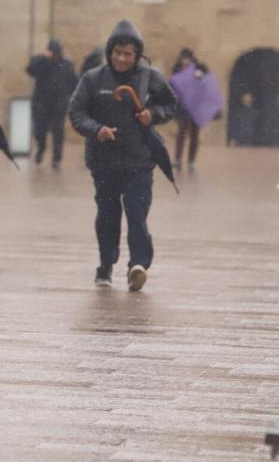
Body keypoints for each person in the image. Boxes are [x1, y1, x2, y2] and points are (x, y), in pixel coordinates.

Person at [69, 20, 177, 291]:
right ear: (110, 52)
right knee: (107, 215)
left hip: (139, 162)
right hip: (103, 163)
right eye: (118, 52)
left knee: (137, 214)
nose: (122, 58)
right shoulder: (93, 79)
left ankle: (137, 266)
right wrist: (97, 130)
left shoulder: (150, 77)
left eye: (128, 54)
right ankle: (105, 265)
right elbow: (77, 113)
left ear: (137, 55)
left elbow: (171, 105)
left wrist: (154, 115)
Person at [168, 48, 223, 173]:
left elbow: (208, 84)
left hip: (196, 107)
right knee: (181, 134)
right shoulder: (177, 69)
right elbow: (174, 86)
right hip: (182, 108)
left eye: (187, 60)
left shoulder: (200, 68)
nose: (185, 63)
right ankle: (177, 160)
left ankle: (191, 161)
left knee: (194, 135)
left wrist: (201, 76)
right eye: (183, 60)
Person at [26, 39, 78, 168]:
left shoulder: (67, 64)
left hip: (59, 104)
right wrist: (44, 58)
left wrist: (69, 98)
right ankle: (41, 148)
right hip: (41, 103)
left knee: (58, 132)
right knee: (40, 131)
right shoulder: (41, 61)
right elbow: (30, 70)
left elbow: (73, 82)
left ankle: (57, 158)